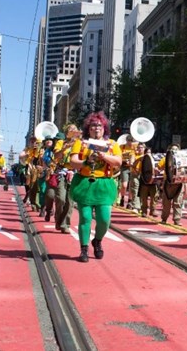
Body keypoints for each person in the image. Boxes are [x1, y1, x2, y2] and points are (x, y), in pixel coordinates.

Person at [69, 112, 122, 262]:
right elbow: (73, 162)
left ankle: (97, 241)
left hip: (104, 185)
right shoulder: (81, 143)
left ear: (104, 128)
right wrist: (86, 161)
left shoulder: (112, 144)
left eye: (99, 125)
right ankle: (83, 249)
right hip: (85, 183)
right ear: (88, 128)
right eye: (93, 125)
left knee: (104, 219)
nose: (96, 128)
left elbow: (118, 162)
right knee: (85, 218)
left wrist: (104, 157)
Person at [159, 144, 184, 226]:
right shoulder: (165, 158)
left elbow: (186, 168)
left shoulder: (182, 159)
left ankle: (177, 220)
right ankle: (164, 218)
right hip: (168, 183)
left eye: (176, 149)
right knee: (166, 202)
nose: (174, 151)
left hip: (179, 183)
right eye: (173, 149)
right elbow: (159, 167)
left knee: (178, 202)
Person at [118, 135, 137, 209]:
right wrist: (124, 160)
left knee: (131, 186)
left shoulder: (135, 147)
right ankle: (122, 197)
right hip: (124, 167)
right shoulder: (122, 147)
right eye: (129, 141)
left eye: (132, 141)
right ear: (127, 141)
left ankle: (130, 201)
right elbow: (118, 156)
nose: (131, 143)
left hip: (133, 167)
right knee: (124, 185)